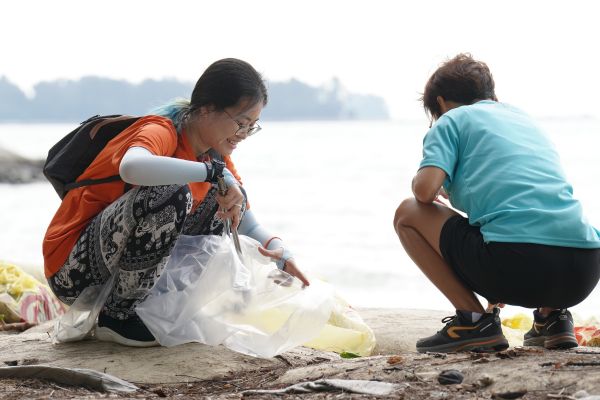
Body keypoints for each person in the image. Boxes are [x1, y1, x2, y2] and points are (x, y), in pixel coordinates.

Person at [43, 58, 310, 347]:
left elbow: (243, 219)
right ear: (207, 108)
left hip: (112, 272)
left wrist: (280, 252)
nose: (243, 135)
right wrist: (210, 173)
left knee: (221, 201)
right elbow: (131, 168)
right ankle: (118, 318)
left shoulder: (216, 156)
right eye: (240, 123)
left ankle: (159, 309)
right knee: (172, 191)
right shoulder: (162, 131)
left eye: (251, 127)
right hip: (73, 272)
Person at [393, 53, 600, 353]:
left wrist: (422, 180)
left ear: (440, 104)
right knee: (541, 222)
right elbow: (521, 201)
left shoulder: (451, 120)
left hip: (518, 262)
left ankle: (473, 321)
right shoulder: (524, 121)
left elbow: (424, 192)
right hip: (584, 269)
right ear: (492, 95)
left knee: (407, 213)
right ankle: (552, 319)